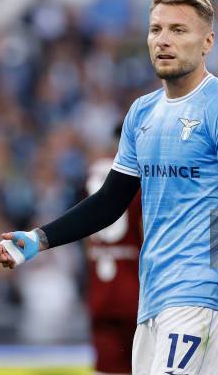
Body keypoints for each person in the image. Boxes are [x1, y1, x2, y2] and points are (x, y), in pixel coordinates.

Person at [0, 0, 218, 374]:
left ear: (208, 42)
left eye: (178, 30)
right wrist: (38, 239)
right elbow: (109, 201)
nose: (164, 40)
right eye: (156, 30)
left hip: (201, 297)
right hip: (152, 297)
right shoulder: (141, 114)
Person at [85, 125, 142, 375]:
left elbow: (85, 231)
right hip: (136, 293)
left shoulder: (92, 173)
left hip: (100, 291)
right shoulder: (141, 176)